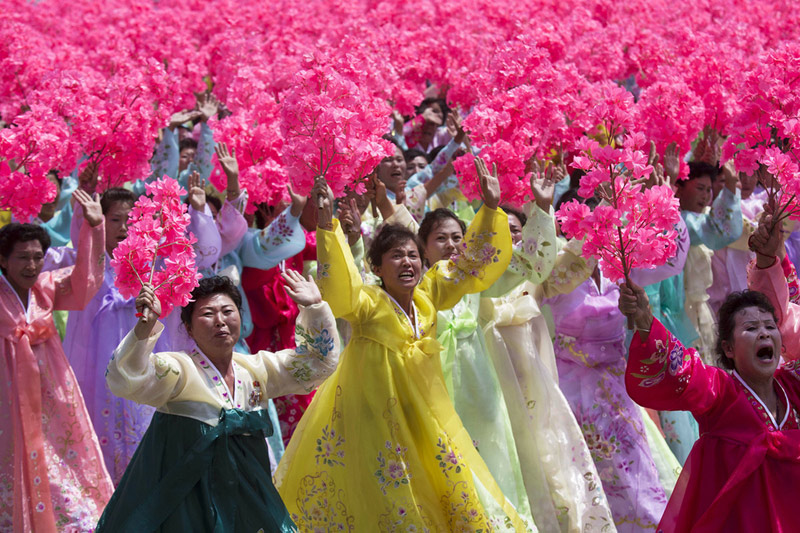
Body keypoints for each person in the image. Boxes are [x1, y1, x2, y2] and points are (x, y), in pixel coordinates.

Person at [276, 161, 528, 531]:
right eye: (396, 256)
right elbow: (341, 292)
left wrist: (490, 211)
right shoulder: (367, 304)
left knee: (445, 490)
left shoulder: (429, 296)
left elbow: (468, 267)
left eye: (412, 255)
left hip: (425, 414)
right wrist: (327, 228)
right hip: (376, 421)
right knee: (387, 499)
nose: (407, 262)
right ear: (377, 268)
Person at [96, 273, 340, 532]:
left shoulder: (257, 370)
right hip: (189, 503)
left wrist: (314, 308)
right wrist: (144, 329)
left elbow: (317, 363)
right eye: (208, 314)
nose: (220, 321)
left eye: (227, 311)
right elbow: (126, 378)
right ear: (188, 327)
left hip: (246, 497)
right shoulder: (179, 370)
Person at [620, 278, 800, 532]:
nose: (763, 332)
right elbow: (683, 369)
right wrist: (645, 321)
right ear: (728, 349)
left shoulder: (793, 386)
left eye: (770, 326)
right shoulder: (721, 390)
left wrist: (771, 260)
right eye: (750, 328)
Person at [0, 189, 113, 532]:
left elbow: (84, 283)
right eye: (22, 257)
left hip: (51, 392)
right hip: (7, 394)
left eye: (37, 256)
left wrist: (95, 228)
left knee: (62, 459)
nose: (32, 264)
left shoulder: (46, 289)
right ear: (3, 260)